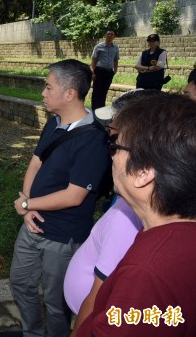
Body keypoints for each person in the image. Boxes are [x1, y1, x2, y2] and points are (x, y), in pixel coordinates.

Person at [1, 59, 111, 337]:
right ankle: (32, 333)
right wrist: (26, 207)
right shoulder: (54, 124)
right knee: (21, 283)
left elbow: (74, 196)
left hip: (62, 237)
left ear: (70, 93)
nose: (43, 93)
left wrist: (27, 204)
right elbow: (36, 162)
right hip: (32, 225)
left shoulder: (93, 139)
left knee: (56, 302)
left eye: (49, 87)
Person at [75, 93, 196, 337]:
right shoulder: (174, 235)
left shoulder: (145, 273)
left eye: (114, 145)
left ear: (143, 171)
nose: (110, 156)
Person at [64, 89, 165, 336]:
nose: (109, 154)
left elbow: (100, 293)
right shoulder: (133, 202)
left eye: (113, 143)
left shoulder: (128, 217)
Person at [90, 30, 119, 109]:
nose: (109, 36)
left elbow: (116, 60)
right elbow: (94, 60)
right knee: (96, 91)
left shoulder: (115, 48)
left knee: (104, 91)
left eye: (111, 34)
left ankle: (101, 109)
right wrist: (92, 72)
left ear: (114, 37)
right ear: (105, 36)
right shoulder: (98, 47)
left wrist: (115, 70)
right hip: (99, 71)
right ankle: (94, 110)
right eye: (108, 34)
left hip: (109, 72)